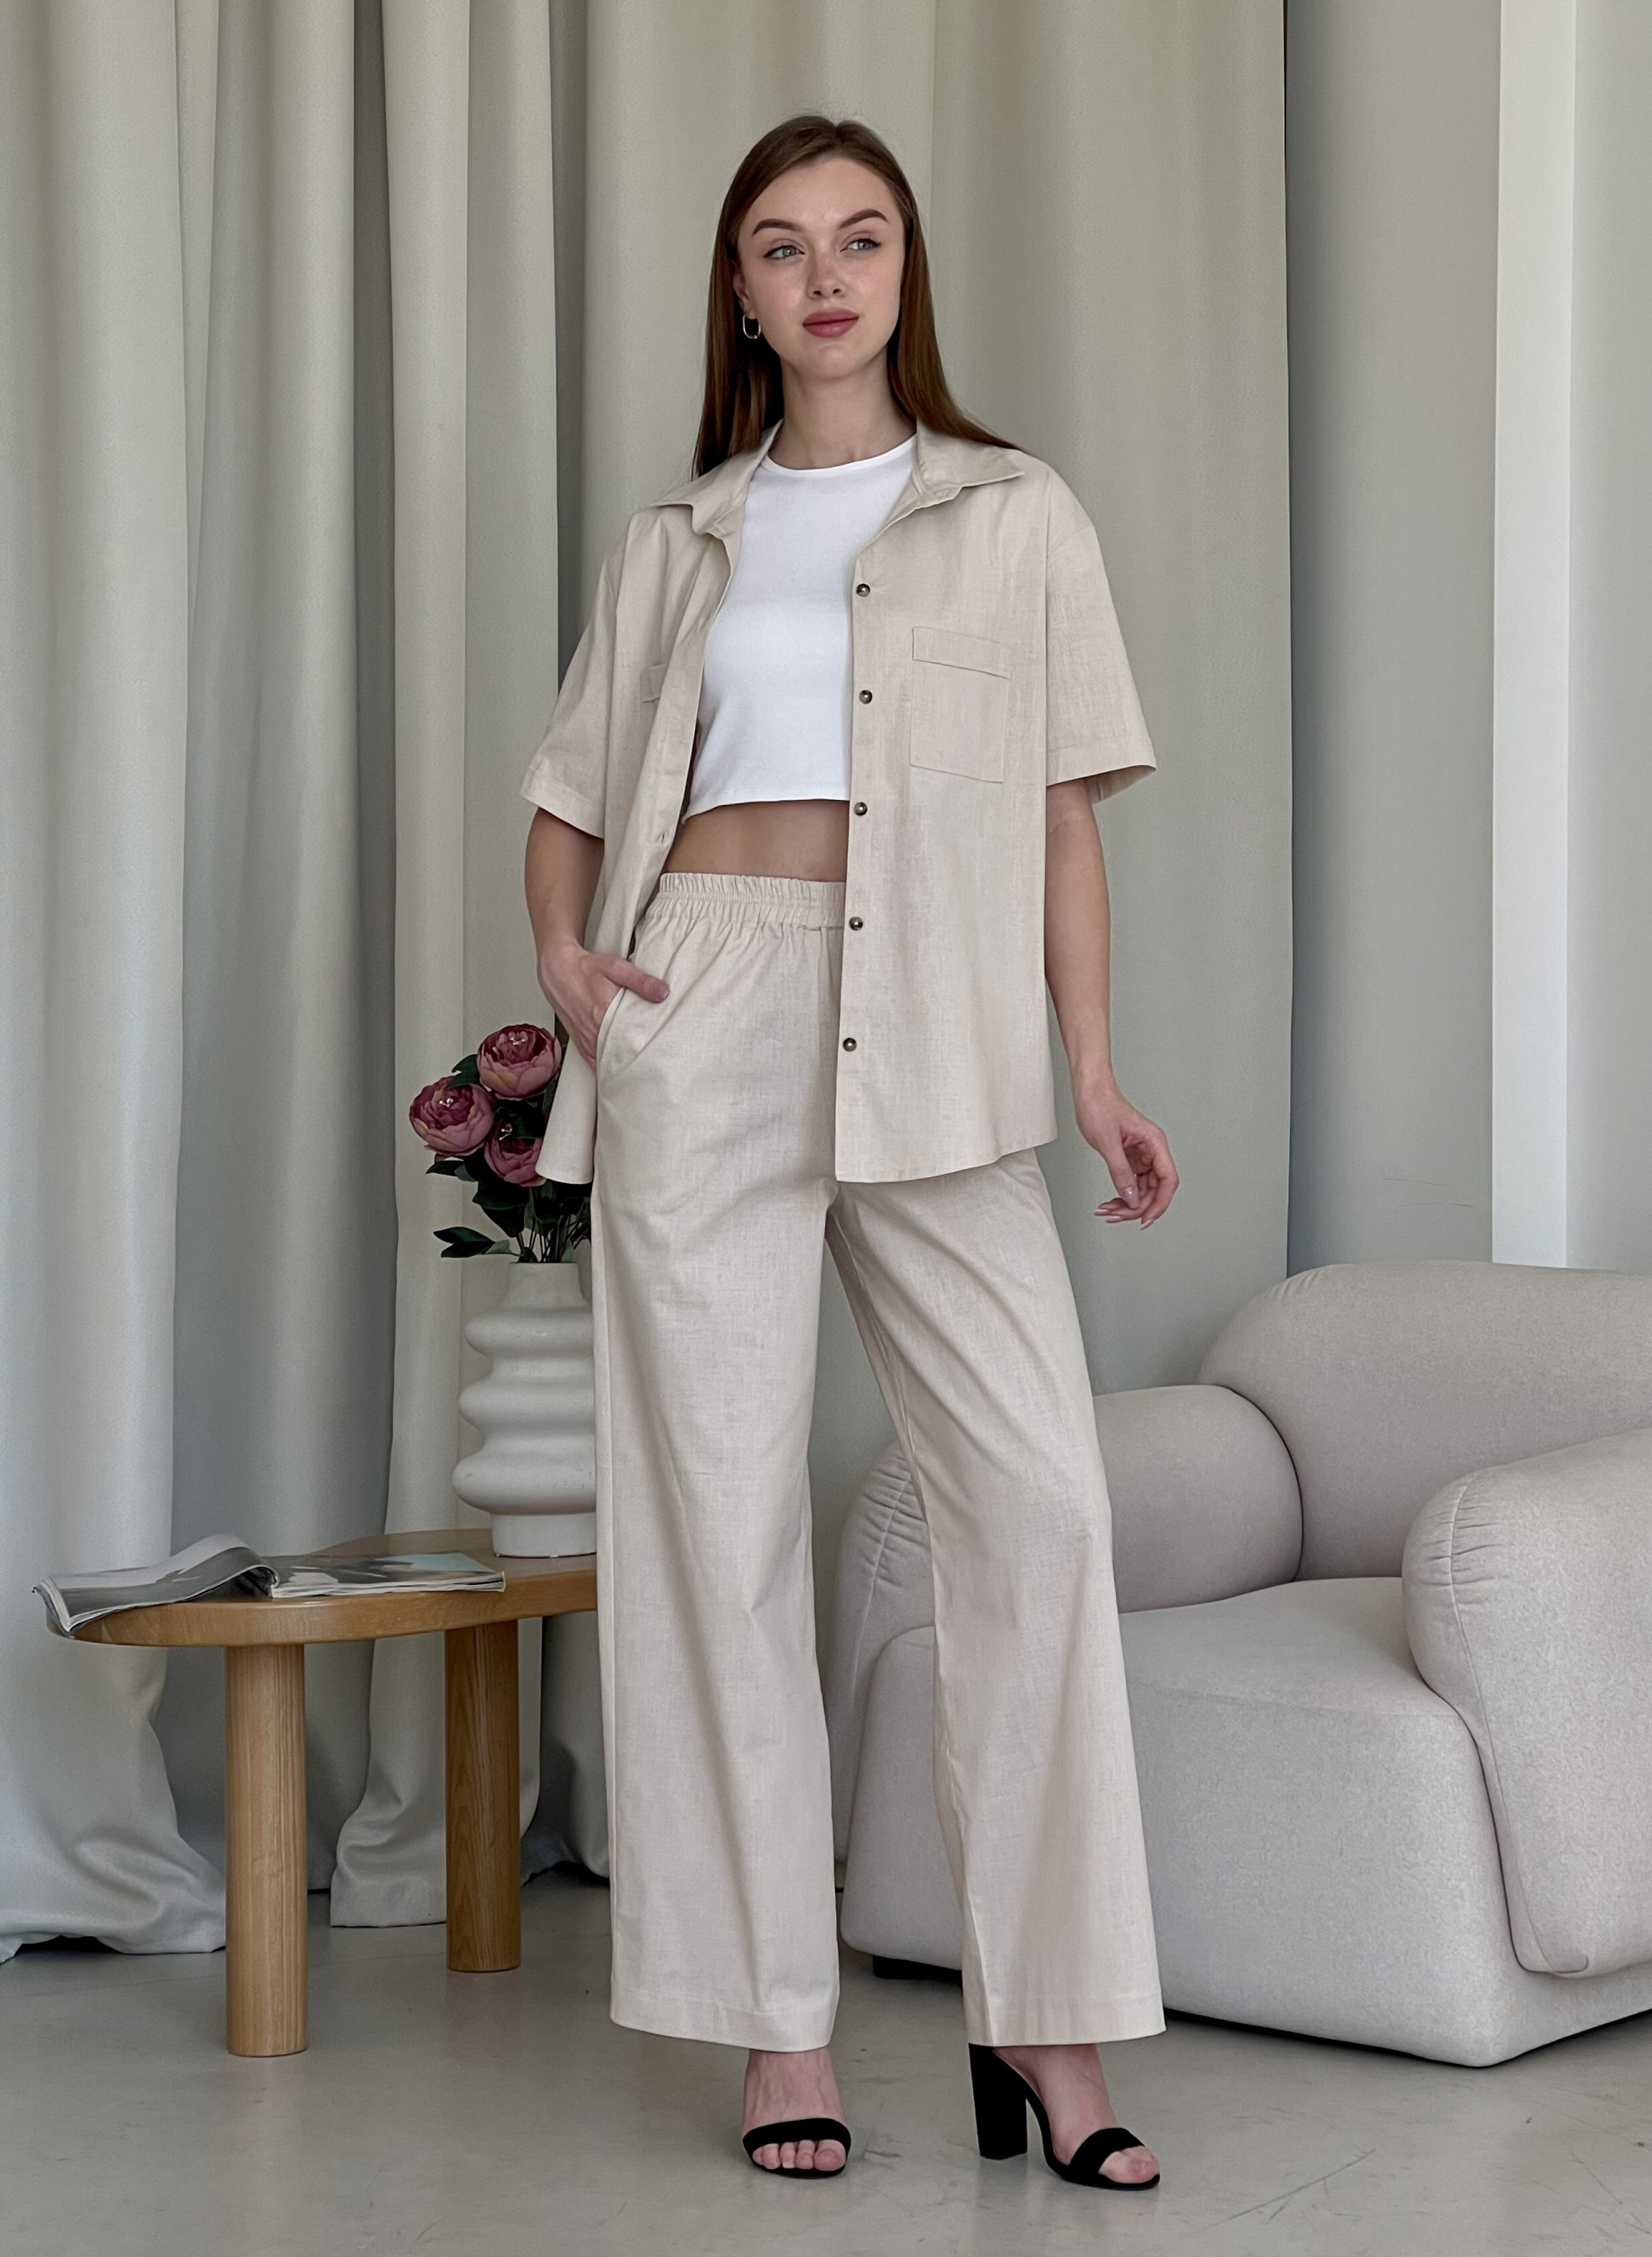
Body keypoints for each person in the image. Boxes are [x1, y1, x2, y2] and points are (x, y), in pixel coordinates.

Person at [522, 113, 1177, 2191]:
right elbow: (569, 793)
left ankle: (1046, 2024)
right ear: (737, 289)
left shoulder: (1013, 510)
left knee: (1038, 1509)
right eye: (783, 245)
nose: (824, 276)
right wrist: (571, 967)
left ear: (905, 272)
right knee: (713, 1525)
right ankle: (772, 2034)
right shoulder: (681, 536)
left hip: (944, 1022)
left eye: (860, 239)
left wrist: (1091, 1073)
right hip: (704, 990)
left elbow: (1059, 817)